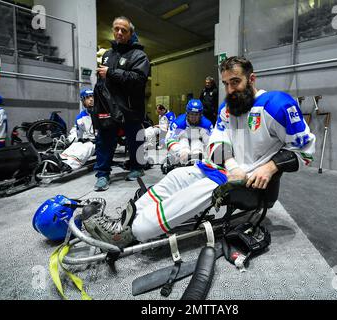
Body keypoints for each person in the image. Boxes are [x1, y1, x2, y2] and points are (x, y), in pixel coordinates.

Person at [83, 56, 316, 247]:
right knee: (175, 176)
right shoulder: (227, 108)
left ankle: (133, 232)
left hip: (250, 183)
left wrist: (270, 167)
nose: (230, 89)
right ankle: (125, 219)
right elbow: (218, 138)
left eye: (235, 82)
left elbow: (305, 151)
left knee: (190, 195)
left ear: (252, 79)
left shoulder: (277, 104)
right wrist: (232, 165)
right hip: (223, 170)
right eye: (225, 83)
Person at [93, 16, 150, 191]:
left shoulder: (139, 55)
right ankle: (102, 174)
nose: (119, 32)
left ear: (130, 33)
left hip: (131, 107)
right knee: (104, 140)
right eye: (116, 28)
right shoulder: (108, 55)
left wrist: (110, 72)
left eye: (123, 30)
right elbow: (103, 83)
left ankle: (137, 167)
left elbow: (138, 79)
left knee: (135, 140)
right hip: (110, 107)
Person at [165, 99, 213, 165]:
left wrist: (208, 158)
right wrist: (179, 152)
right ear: (187, 113)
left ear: (201, 115)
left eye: (196, 114)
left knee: (197, 143)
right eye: (192, 114)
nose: (194, 117)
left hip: (198, 144)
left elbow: (210, 143)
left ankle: (197, 156)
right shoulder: (178, 123)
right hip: (181, 144)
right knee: (183, 141)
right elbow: (169, 140)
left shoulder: (207, 125)